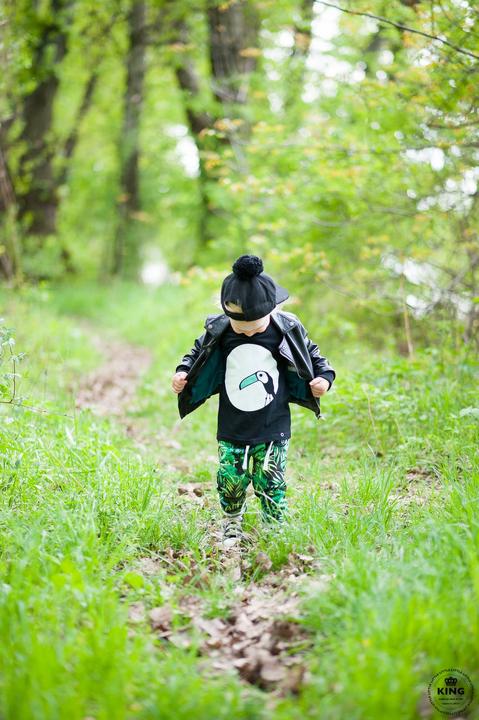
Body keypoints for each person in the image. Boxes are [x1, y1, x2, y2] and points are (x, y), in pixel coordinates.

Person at [171, 254, 336, 548]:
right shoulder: (221, 331)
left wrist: (324, 378)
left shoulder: (286, 330)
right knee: (230, 479)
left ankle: (274, 528)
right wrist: (183, 372)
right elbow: (196, 353)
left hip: (274, 424)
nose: (248, 331)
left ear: (273, 310)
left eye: (255, 328)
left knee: (270, 479)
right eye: (240, 327)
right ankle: (232, 522)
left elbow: (314, 356)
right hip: (233, 425)